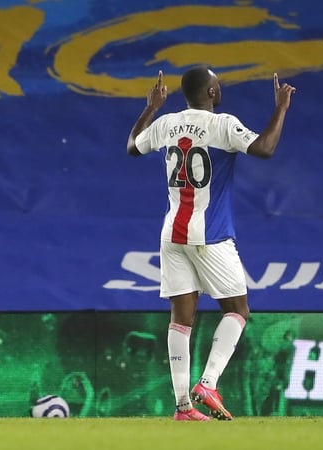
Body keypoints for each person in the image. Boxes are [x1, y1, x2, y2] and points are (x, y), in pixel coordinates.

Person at [126, 67, 295, 421]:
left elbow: (132, 146)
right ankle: (208, 382)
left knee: (181, 320)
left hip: (172, 234)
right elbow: (264, 148)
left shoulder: (166, 123)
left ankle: (183, 406)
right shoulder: (222, 125)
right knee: (237, 311)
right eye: (218, 86)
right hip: (210, 236)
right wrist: (280, 108)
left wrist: (151, 107)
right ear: (212, 93)